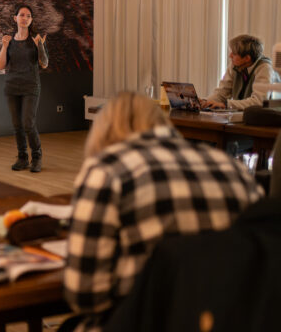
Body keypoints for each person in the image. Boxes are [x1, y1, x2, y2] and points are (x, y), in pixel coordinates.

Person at [63, 92, 262, 332]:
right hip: (229, 320)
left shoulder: (107, 172)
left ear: (103, 134)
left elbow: (85, 296)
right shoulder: (233, 170)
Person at [0, 4, 48, 172]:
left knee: (28, 123)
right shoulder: (9, 41)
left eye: (28, 16)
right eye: (22, 15)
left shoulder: (36, 40)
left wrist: (40, 46)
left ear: (31, 20)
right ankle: (22, 157)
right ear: (15, 18)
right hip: (12, 86)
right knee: (17, 125)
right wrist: (4, 46)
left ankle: (37, 156)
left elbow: (44, 64)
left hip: (30, 86)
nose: (25, 18)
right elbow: (1, 65)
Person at [202, 34, 280, 110]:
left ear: (247, 58)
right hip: (243, 116)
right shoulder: (235, 65)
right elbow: (222, 93)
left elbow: (258, 102)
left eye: (234, 54)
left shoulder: (265, 68)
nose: (230, 56)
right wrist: (205, 102)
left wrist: (226, 104)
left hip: (265, 119)